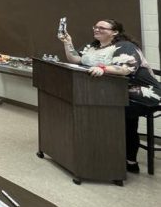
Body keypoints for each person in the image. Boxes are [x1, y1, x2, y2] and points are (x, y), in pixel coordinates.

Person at [60, 19, 161, 173]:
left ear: (115, 32)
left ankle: (128, 161)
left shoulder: (125, 46)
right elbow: (76, 59)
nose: (97, 29)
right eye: (95, 27)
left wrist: (102, 68)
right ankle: (106, 155)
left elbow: (126, 69)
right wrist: (68, 43)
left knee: (116, 112)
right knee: (106, 108)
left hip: (142, 93)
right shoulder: (92, 46)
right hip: (113, 92)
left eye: (102, 27)